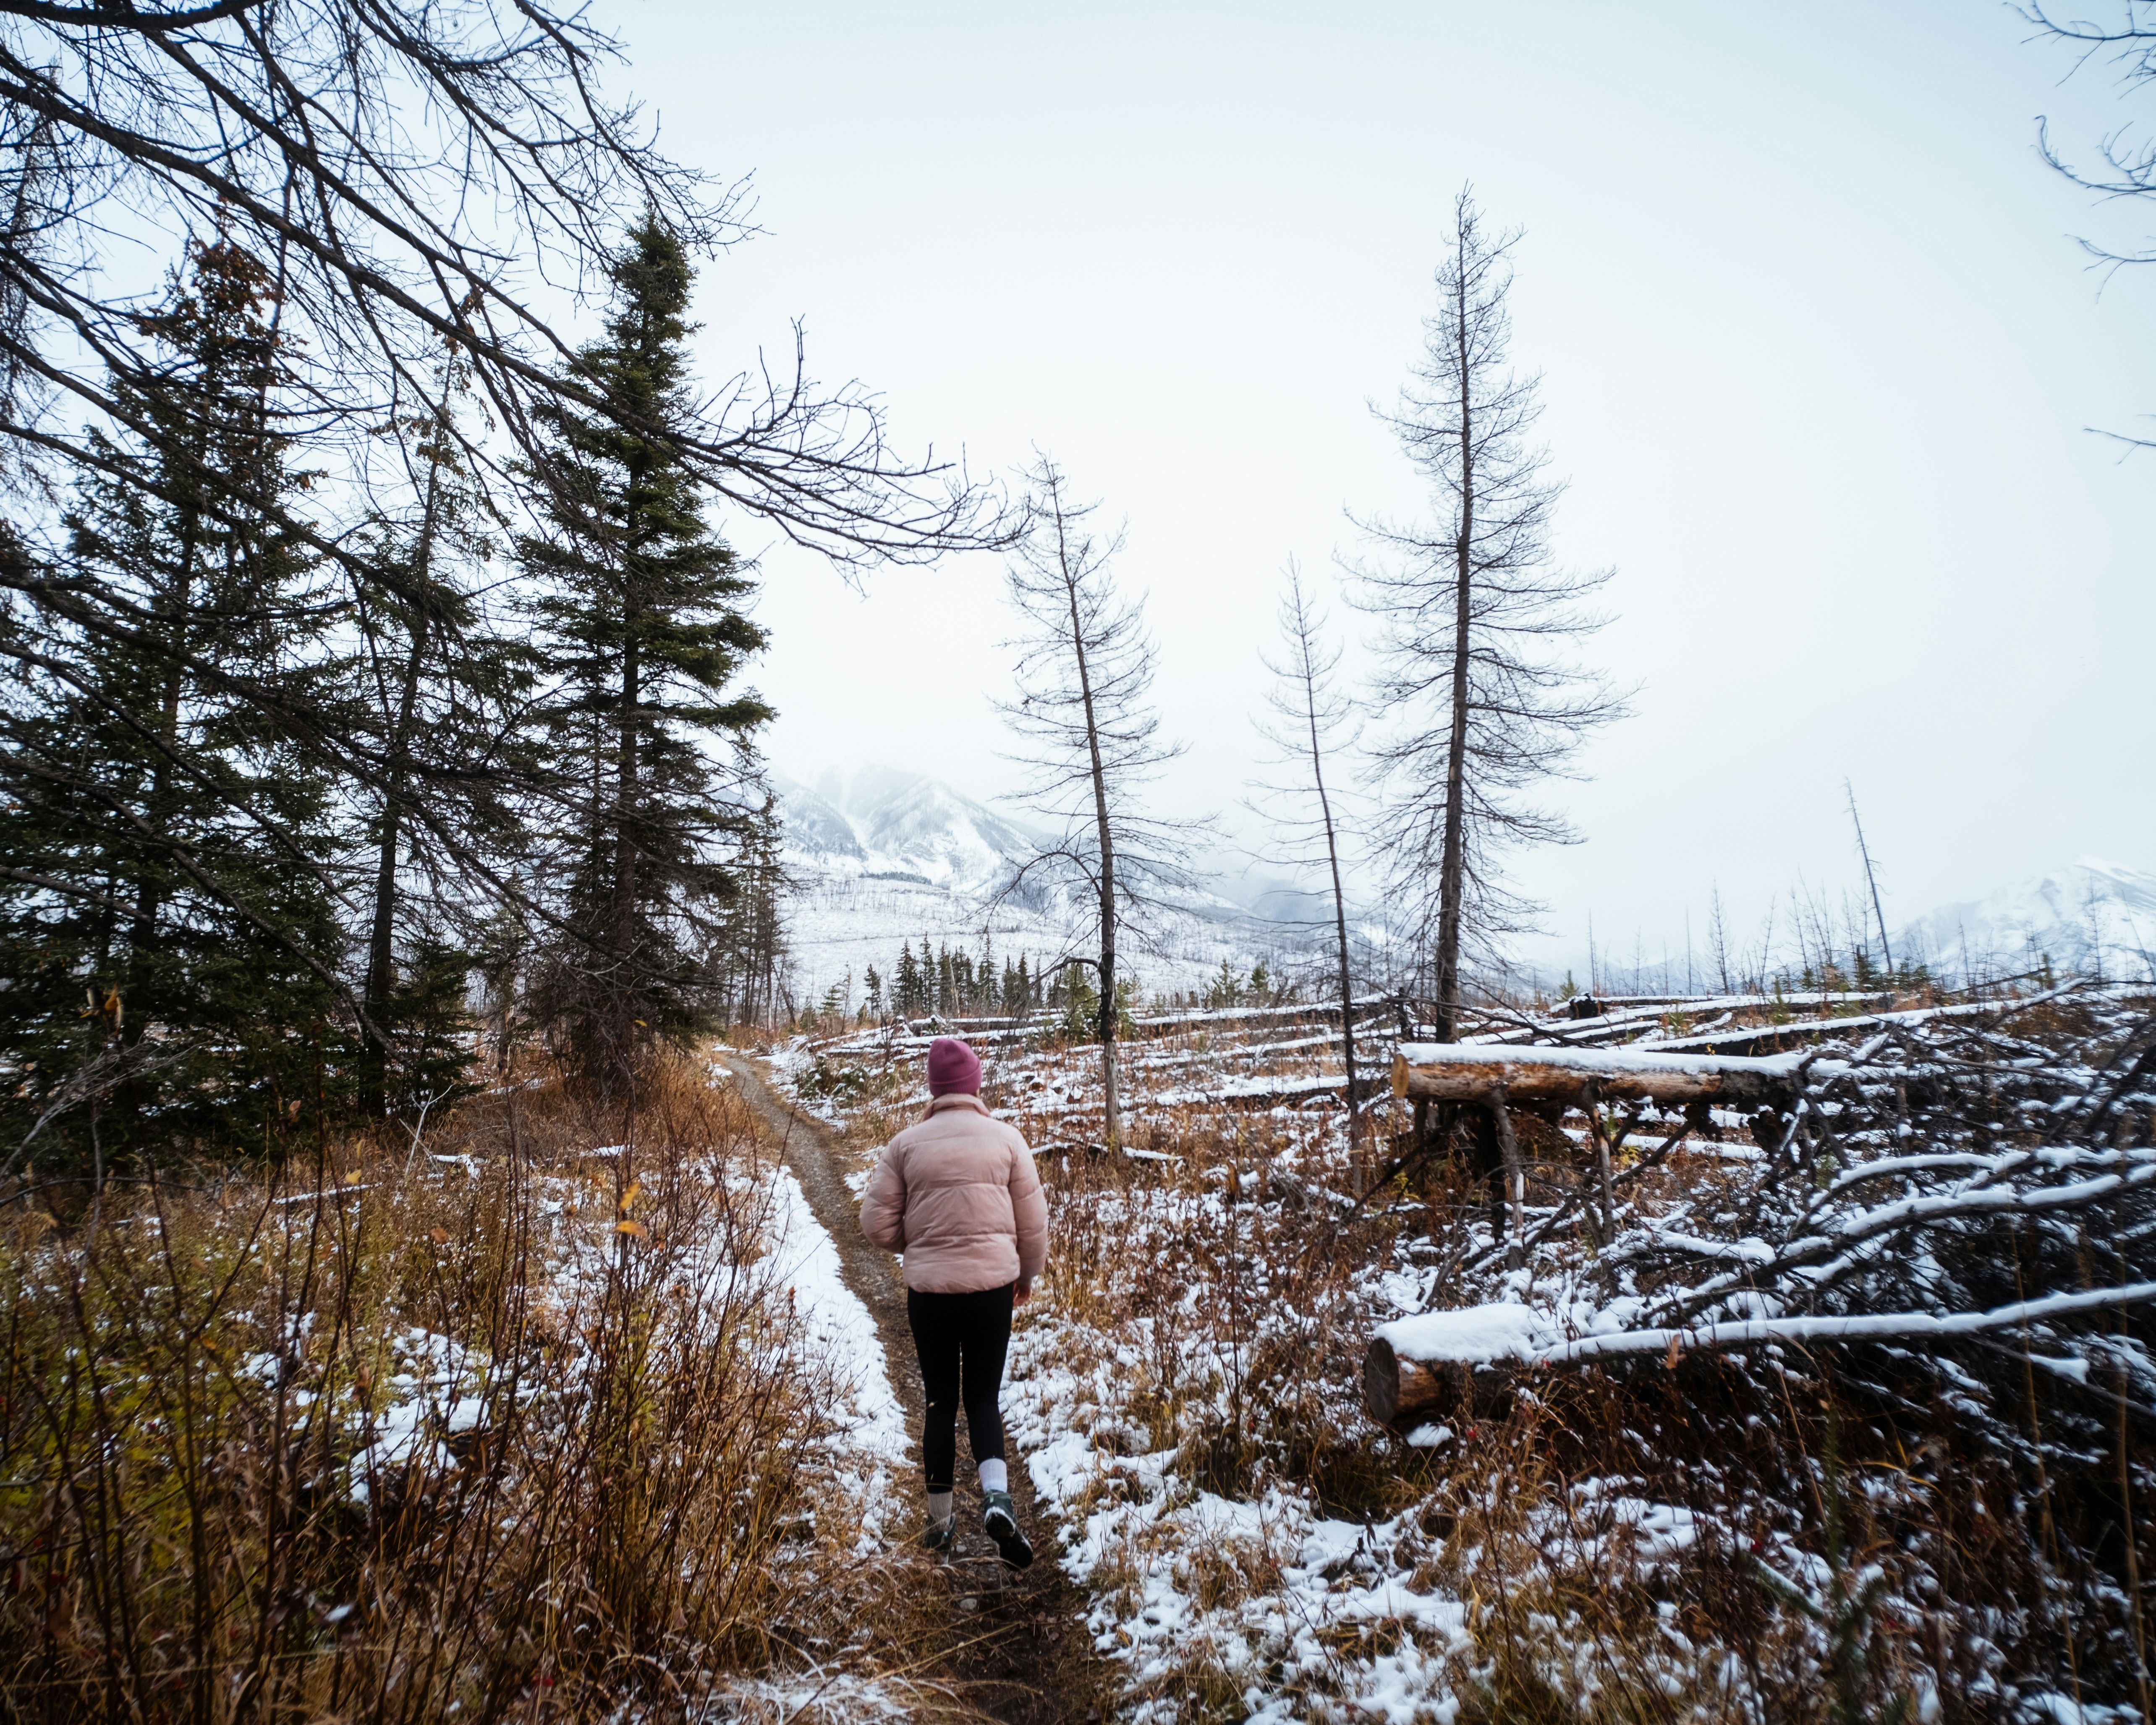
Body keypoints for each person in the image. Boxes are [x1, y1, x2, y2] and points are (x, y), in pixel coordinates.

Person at [860, 1035, 1046, 1566]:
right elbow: (1033, 1225)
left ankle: (940, 1527)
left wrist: (919, 1245)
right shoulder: (1008, 1139)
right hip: (993, 1292)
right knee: (984, 1399)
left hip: (930, 1295)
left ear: (934, 1088)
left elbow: (875, 1224)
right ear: (975, 1085)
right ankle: (996, 1497)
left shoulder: (906, 1144)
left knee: (941, 1402)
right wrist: (1025, 1275)